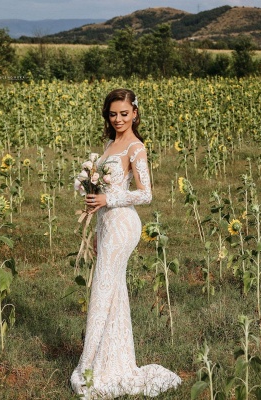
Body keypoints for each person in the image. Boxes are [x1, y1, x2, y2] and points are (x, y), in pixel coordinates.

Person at [70, 88, 181, 398]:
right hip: (106, 224)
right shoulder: (108, 144)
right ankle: (113, 360)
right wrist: (95, 220)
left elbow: (146, 194)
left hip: (124, 225)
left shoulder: (136, 148)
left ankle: (90, 365)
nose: (117, 119)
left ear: (135, 113)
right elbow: (103, 188)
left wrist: (109, 197)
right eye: (112, 114)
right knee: (112, 289)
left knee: (103, 288)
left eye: (123, 113)